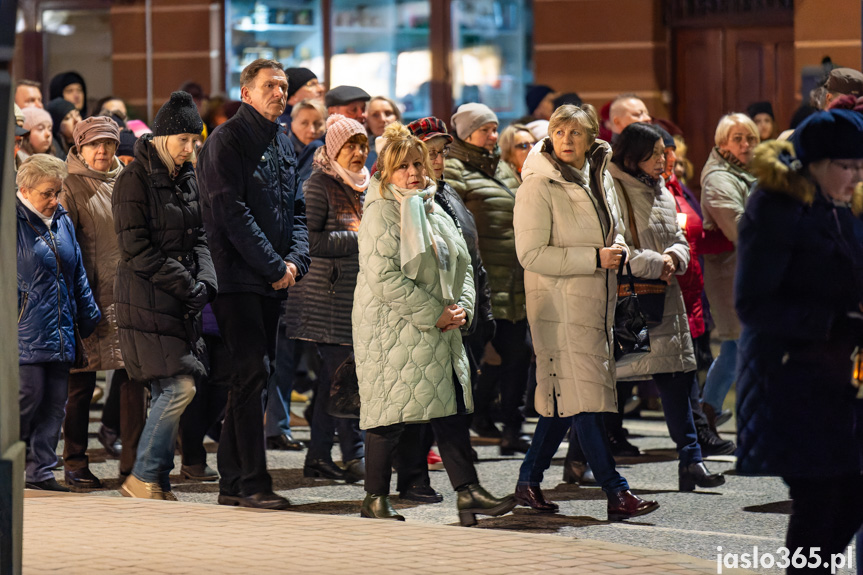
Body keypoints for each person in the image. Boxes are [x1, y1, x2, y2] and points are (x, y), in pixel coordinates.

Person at [353, 122, 515, 525]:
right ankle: (374, 498)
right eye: (402, 166)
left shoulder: (430, 205)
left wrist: (461, 307)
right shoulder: (380, 211)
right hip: (391, 328)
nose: (413, 173)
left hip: (440, 326)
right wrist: (434, 313)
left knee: (450, 409)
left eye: (417, 164)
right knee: (389, 413)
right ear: (384, 172)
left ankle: (467, 492)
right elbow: (384, 277)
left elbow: (461, 261)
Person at [511, 104, 659, 520]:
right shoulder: (538, 185)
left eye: (576, 133)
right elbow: (531, 253)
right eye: (560, 131)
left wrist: (620, 248)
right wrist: (595, 258)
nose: (567, 139)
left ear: (592, 136)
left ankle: (528, 481)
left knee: (568, 399)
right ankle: (617, 492)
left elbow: (614, 230)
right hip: (558, 305)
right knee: (586, 399)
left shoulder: (600, 174)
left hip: (596, 300)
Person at [736, 109, 863, 573]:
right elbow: (753, 304)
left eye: (860, 166)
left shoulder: (839, 209)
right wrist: (835, 319)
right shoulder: (776, 208)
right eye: (846, 166)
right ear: (814, 162)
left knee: (850, 495)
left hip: (841, 381)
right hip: (791, 379)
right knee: (818, 501)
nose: (855, 176)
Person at [198, 59, 310, 510]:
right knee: (251, 373)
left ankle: (232, 481)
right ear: (246, 93)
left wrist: (295, 261)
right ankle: (252, 483)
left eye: (283, 87)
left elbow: (297, 211)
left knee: (254, 378)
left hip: (273, 278)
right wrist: (272, 265)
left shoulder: (282, 140)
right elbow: (230, 213)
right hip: (235, 278)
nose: (279, 93)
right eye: (269, 86)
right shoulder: (227, 141)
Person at [608, 122, 725, 492]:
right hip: (633, 302)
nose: (664, 159)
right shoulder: (612, 189)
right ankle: (580, 458)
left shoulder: (661, 188)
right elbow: (615, 247)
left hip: (666, 301)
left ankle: (691, 462)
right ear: (632, 156)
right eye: (656, 153)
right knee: (614, 389)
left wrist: (676, 256)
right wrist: (659, 263)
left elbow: (680, 236)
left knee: (677, 381)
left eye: (664, 152)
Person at [113, 91, 218, 500]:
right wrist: (187, 284)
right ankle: (142, 475)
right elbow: (135, 248)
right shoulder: (133, 179)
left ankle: (154, 480)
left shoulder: (188, 176)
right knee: (180, 388)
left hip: (181, 298)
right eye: (183, 141)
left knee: (166, 389)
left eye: (195, 140)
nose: (190, 149)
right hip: (147, 298)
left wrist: (206, 283)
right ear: (161, 137)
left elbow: (201, 237)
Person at [393, 116, 496, 504]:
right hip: (422, 318)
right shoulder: (404, 200)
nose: (437, 161)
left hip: (458, 315)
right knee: (420, 404)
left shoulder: (447, 195)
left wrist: (478, 309)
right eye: (429, 153)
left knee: (452, 400)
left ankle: (463, 487)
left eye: (441, 153)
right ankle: (412, 478)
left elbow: (471, 258)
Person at [60, 116, 147, 490]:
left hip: (128, 296)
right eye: (94, 144)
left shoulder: (128, 179)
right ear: (79, 147)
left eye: (109, 144)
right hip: (88, 296)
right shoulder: (68, 186)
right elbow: (66, 248)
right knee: (80, 383)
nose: (102, 151)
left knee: (133, 380)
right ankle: (75, 461)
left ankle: (132, 465)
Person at [285, 114, 369, 481]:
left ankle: (320, 455)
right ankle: (352, 455)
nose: (358, 152)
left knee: (333, 382)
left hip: (353, 298)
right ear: (334, 149)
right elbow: (312, 241)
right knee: (344, 378)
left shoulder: (364, 185)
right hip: (324, 300)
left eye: (363, 145)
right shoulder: (318, 184)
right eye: (350, 145)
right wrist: (362, 239)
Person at [444, 102, 529, 454]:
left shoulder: (504, 170)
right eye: (485, 129)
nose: (493, 136)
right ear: (465, 134)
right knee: (473, 359)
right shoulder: (453, 169)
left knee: (518, 355)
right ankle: (459, 434)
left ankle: (513, 427)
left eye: (495, 129)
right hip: (480, 282)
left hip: (513, 279)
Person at [17, 154, 101, 491]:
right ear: (24, 189)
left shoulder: (62, 218)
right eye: (47, 193)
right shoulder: (11, 220)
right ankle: (12, 462)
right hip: (23, 330)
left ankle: (40, 472)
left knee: (54, 402)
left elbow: (76, 270)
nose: (54, 200)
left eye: (58, 193)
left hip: (61, 329)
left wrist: (88, 314)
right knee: (28, 396)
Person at [699, 114, 759, 428]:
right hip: (732, 273)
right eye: (738, 138)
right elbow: (739, 228)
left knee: (737, 347)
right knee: (741, 346)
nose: (746, 144)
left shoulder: (747, 171)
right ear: (722, 143)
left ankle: (707, 413)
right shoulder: (719, 178)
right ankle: (709, 415)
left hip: (746, 270)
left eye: (750, 138)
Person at [365, 96, 401, 169]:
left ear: (396, 117)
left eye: (388, 113)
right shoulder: (362, 153)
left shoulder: (413, 147)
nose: (383, 119)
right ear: (367, 120)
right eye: (375, 115)